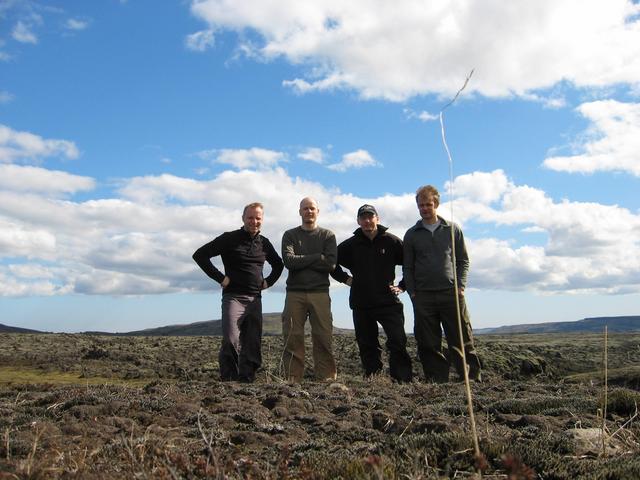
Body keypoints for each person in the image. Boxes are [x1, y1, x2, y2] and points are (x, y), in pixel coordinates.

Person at [192, 202, 283, 382]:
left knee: (252, 341)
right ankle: (229, 379)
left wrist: (268, 282)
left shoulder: (264, 243)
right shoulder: (229, 238)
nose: (254, 221)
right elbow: (200, 255)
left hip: (255, 299)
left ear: (262, 220)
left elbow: (278, 265)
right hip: (233, 297)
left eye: (258, 218)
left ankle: (247, 377)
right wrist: (221, 278)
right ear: (243, 218)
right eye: (250, 217)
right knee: (231, 339)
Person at [403, 185, 482, 383]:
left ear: (436, 204)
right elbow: (408, 267)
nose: (424, 209)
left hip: (451, 294)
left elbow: (463, 260)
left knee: (462, 338)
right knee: (428, 342)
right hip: (423, 296)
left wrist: (460, 287)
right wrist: (413, 293)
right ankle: (437, 381)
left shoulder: (452, 229)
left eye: (428, 204)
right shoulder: (412, 234)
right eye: (421, 205)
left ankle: (471, 379)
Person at [331, 204, 413, 383]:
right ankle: (373, 379)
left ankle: (402, 380)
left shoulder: (391, 241)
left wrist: (403, 286)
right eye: (363, 217)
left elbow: (410, 261)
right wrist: (346, 279)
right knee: (367, 344)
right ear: (358, 221)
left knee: (397, 341)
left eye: (371, 216)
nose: (367, 221)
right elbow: (331, 262)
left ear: (377, 218)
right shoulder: (351, 245)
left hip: (388, 302)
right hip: (361, 303)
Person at [281, 197, 338, 382]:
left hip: (320, 293)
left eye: (312, 208)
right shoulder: (289, 235)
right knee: (292, 337)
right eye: (305, 208)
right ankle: (292, 378)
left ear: (318, 211)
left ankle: (326, 378)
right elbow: (289, 262)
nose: (309, 211)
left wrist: (303, 260)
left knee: (323, 336)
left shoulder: (328, 236)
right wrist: (317, 257)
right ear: (300, 212)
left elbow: (330, 264)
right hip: (294, 293)